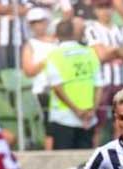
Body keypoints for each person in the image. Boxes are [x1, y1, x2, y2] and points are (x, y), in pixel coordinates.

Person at [84, 0, 123, 144]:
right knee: (98, 123)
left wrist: (114, 50)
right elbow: (100, 56)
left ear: (113, 9)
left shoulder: (121, 30)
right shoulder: (92, 29)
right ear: (95, 10)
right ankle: (94, 157)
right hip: (102, 82)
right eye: (101, 7)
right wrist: (121, 51)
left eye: (107, 7)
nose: (105, 11)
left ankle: (119, 156)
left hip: (121, 81)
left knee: (122, 122)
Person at [46, 19, 102, 149]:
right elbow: (99, 86)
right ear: (73, 33)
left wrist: (77, 111)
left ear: (57, 35)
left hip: (64, 117)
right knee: (86, 164)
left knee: (63, 165)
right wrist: (92, 111)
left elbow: (57, 88)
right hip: (88, 118)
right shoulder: (90, 52)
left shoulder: (54, 56)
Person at [21, 7, 58, 150]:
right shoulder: (30, 44)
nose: (38, 26)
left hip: (60, 87)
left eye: (40, 22)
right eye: (34, 23)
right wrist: (47, 60)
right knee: (49, 126)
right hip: (43, 90)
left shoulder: (57, 41)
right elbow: (28, 70)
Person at [0, 0, 29, 75]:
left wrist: (6, 9)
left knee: (18, 65)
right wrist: (15, 9)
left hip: (19, 34)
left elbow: (25, 9)